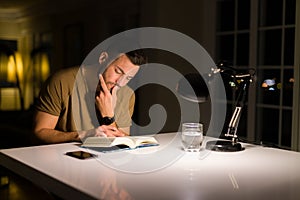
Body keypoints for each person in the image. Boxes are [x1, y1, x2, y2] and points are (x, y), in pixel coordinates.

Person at [32, 49, 147, 144]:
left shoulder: (127, 94)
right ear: (103, 58)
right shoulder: (62, 81)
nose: (120, 83)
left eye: (128, 78)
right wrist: (83, 135)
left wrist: (108, 116)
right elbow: (40, 132)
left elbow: (121, 143)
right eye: (118, 71)